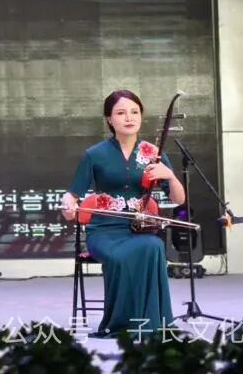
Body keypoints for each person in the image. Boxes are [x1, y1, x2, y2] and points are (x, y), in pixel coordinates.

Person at [61, 89, 186, 338]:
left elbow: (178, 199)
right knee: (120, 256)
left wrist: (170, 176)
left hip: (138, 229)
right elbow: (73, 194)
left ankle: (152, 324)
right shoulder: (95, 154)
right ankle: (120, 324)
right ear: (109, 119)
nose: (129, 117)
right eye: (120, 113)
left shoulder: (153, 153)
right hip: (103, 230)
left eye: (134, 112)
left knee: (153, 246)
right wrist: (68, 205)